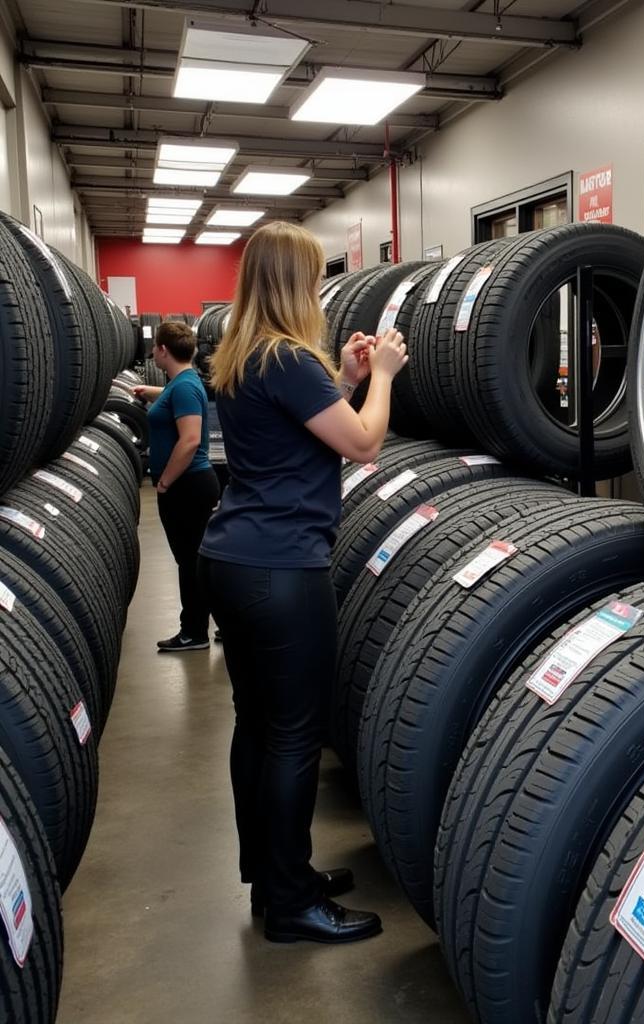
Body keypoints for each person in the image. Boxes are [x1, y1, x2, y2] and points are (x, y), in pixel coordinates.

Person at [198, 221, 407, 945]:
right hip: (283, 569)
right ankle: (291, 905)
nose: (319, 290)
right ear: (294, 283)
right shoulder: (289, 358)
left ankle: (273, 872)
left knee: (256, 724)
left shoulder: (242, 355)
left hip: (233, 557)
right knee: (293, 736)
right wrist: (379, 376)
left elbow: (300, 434)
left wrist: (342, 380)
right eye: (313, 277)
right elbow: (365, 443)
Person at [133, 321, 220, 653]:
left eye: (156, 346)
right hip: (191, 485)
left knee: (190, 564)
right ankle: (222, 624)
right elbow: (175, 398)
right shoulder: (182, 382)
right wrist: (147, 393)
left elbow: (190, 441)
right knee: (197, 561)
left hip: (187, 486)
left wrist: (165, 480)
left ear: (164, 351)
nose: (153, 351)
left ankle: (194, 633)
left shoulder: (183, 387)